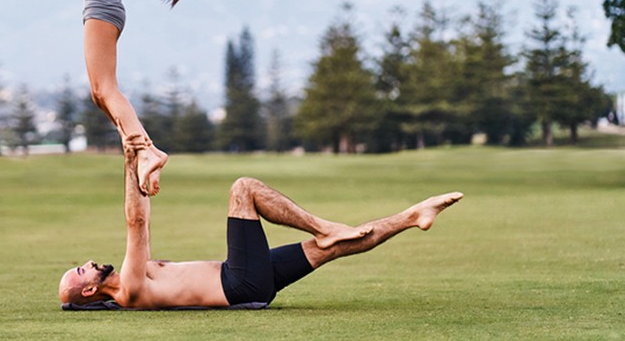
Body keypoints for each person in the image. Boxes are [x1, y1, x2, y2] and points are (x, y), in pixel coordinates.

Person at [58, 135, 464, 309]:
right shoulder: (128, 288)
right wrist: (130, 162)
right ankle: (323, 225)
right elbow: (136, 223)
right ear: (91, 287)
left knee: (335, 247)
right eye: (81, 270)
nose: (88, 261)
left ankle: (413, 216)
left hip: (246, 280)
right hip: (239, 283)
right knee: (244, 188)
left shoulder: (128, 285)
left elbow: (139, 219)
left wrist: (137, 166)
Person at [83, 0, 216, 196]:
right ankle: (136, 146)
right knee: (98, 95)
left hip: (103, 1)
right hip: (102, 2)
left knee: (105, 88)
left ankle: (147, 150)